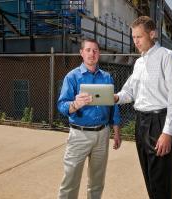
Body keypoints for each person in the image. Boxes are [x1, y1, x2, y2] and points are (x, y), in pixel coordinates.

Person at [114, 16, 172, 199]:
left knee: (161, 181)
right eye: (133, 37)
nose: (135, 41)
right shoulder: (139, 63)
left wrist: (167, 132)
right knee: (149, 177)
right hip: (141, 122)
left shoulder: (167, 57)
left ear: (152, 34)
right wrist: (114, 98)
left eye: (139, 37)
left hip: (159, 123)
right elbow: (129, 93)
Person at [57, 38, 121, 199]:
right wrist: (75, 104)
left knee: (97, 182)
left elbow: (114, 106)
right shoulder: (72, 77)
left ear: (99, 54)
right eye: (88, 50)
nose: (92, 54)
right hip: (79, 135)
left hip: (102, 135)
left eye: (95, 50)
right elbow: (62, 106)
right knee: (70, 181)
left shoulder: (107, 77)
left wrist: (116, 132)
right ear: (81, 53)